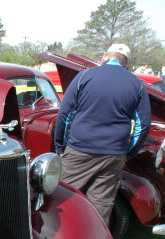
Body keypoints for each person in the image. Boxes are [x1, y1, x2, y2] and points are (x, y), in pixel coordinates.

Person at [54, 43, 151, 225]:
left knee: (63, 195)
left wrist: (60, 145)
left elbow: (64, 115)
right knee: (101, 201)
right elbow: (143, 125)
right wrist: (129, 151)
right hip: (114, 153)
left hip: (80, 148)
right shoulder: (136, 83)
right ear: (126, 62)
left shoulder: (84, 76)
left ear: (105, 56)